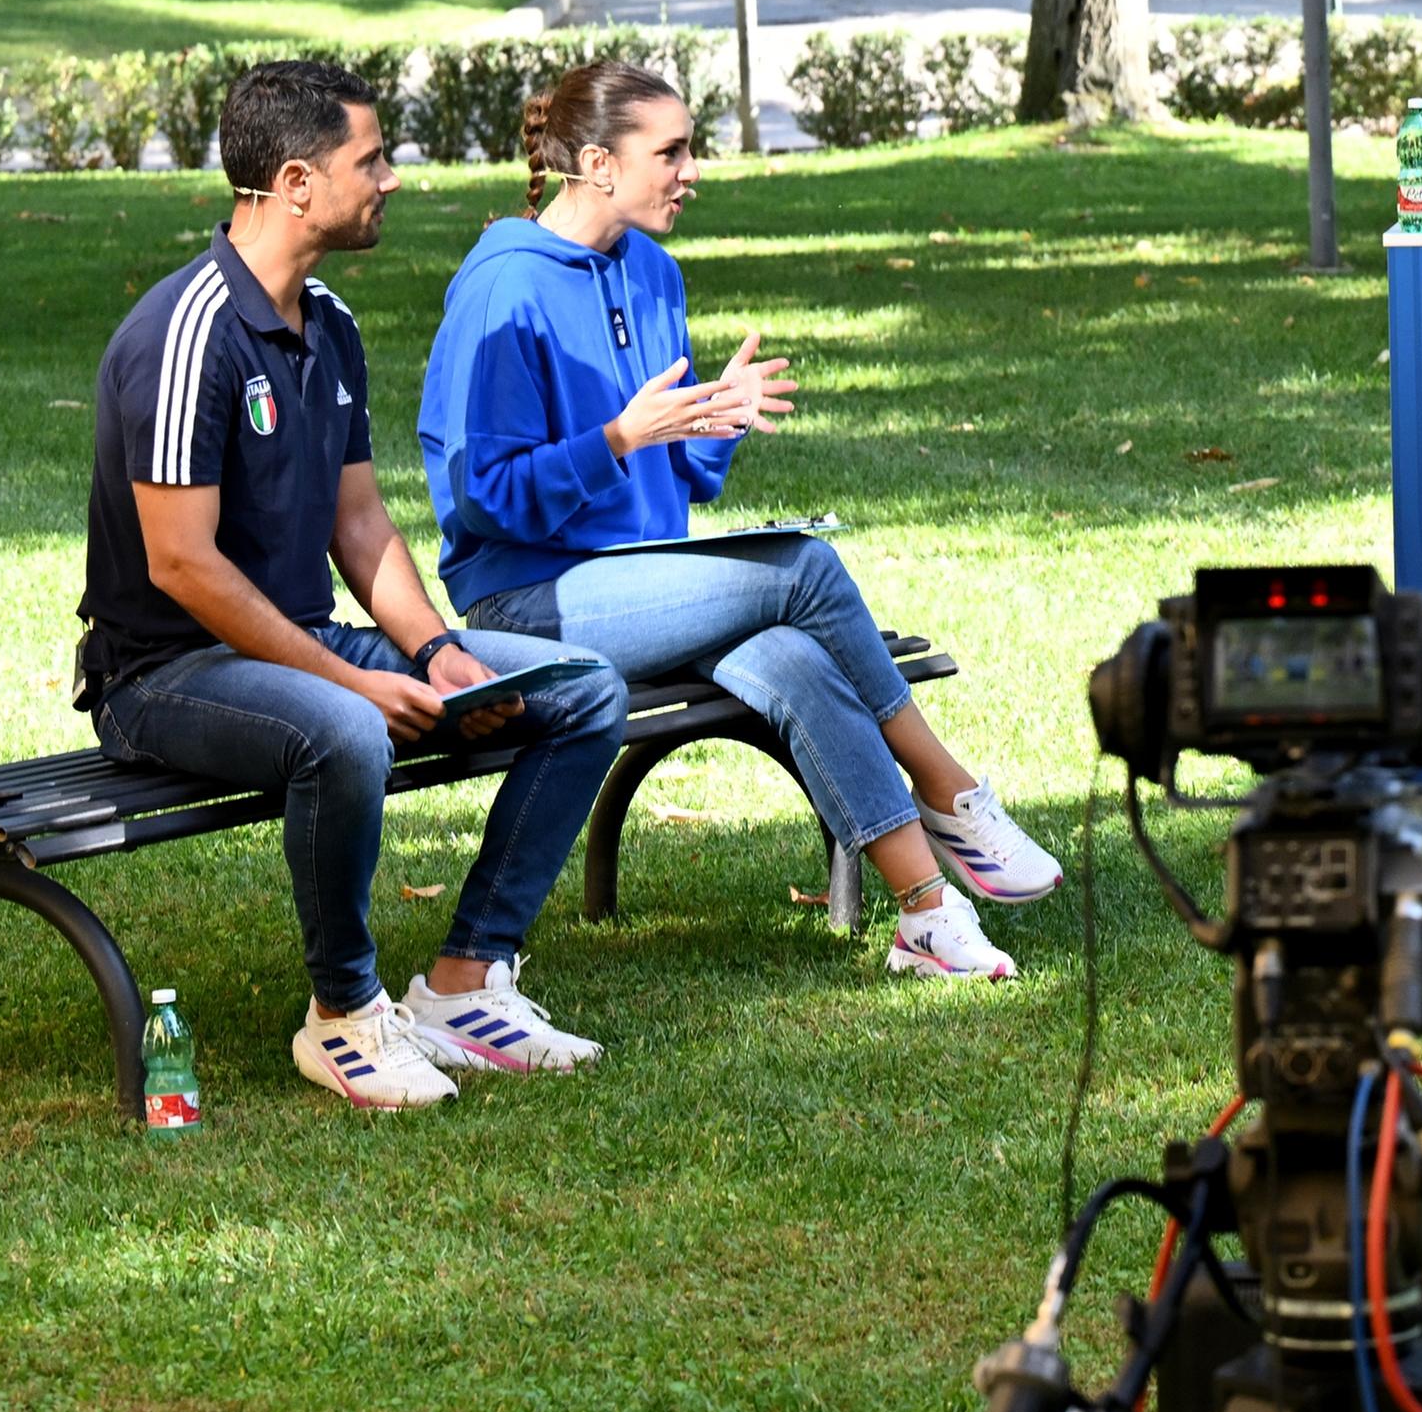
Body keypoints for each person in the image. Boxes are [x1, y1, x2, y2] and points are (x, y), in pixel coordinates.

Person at [418, 58, 1059, 982]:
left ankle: (928, 917)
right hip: (532, 602)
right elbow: (482, 496)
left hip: (649, 582)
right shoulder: (503, 290)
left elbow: (679, 477)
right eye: (670, 151)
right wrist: (616, 438)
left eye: (693, 148)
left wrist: (714, 422)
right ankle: (952, 791)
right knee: (801, 568)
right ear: (598, 163)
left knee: (796, 659)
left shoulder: (653, 273)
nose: (692, 170)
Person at [79, 60, 631, 1111]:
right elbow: (181, 565)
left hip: (296, 645)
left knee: (582, 690)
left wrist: (432, 650)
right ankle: (342, 1017)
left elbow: (361, 523)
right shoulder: (186, 332)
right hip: (163, 672)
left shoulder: (327, 322)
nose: (392, 178)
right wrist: (350, 678)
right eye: (370, 160)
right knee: (344, 730)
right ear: (295, 182)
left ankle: (467, 981)